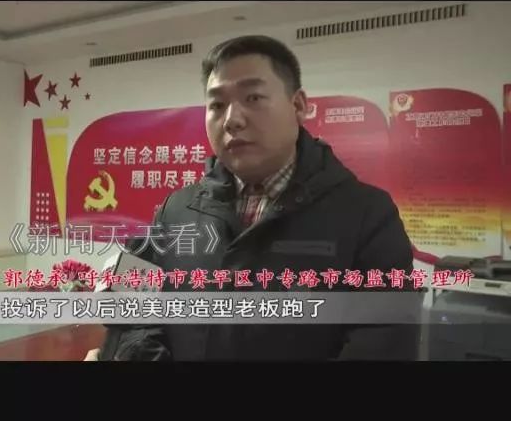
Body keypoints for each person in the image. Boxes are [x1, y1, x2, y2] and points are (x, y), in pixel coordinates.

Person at [85, 35, 421, 361]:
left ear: (298, 105)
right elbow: (130, 311)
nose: (232, 120)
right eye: (217, 105)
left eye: (253, 98)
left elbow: (383, 345)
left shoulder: (368, 216)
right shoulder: (175, 210)